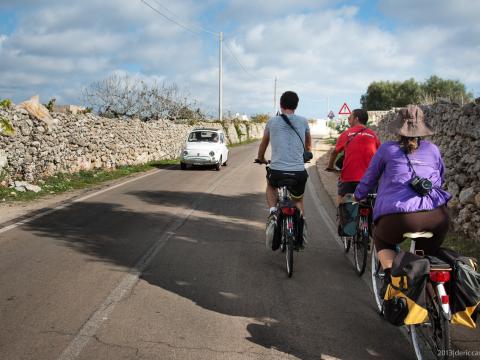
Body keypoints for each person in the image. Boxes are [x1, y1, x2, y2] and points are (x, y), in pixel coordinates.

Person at [353, 105, 451, 289]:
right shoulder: (433, 150)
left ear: (399, 128)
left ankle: (394, 283)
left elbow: (369, 178)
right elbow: (440, 178)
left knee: (381, 239)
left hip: (401, 217)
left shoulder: (387, 149)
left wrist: (358, 196)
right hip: (438, 217)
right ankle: (427, 296)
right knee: (424, 258)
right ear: (422, 128)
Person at [256, 91, 311, 250]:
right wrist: (305, 156)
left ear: (281, 104)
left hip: (277, 171)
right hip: (298, 172)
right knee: (298, 199)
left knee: (270, 185)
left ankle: (273, 212)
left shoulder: (272, 122)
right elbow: (308, 145)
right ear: (296, 105)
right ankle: (300, 221)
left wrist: (261, 158)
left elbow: (264, 144)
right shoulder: (303, 121)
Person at [325, 109, 380, 205]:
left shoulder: (346, 134)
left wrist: (330, 166)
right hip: (368, 178)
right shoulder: (372, 134)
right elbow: (380, 153)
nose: (348, 119)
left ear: (356, 119)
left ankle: (341, 217)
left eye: (350, 117)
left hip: (348, 178)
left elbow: (334, 152)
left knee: (342, 199)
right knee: (371, 203)